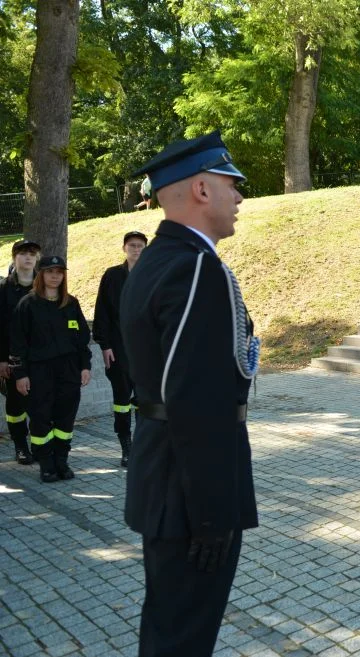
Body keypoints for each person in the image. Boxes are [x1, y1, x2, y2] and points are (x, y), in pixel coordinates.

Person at [120, 132, 259, 657]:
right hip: (190, 495)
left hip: (166, 480)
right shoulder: (197, 267)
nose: (240, 197)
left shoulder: (156, 261)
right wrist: (212, 515)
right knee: (182, 640)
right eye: (232, 184)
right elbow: (198, 403)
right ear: (201, 188)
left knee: (167, 628)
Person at [10, 254, 91, 482]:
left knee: (65, 418)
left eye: (59, 272)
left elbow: (82, 340)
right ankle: (45, 464)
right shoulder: (28, 304)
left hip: (68, 370)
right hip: (39, 371)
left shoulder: (71, 303)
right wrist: (21, 374)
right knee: (41, 417)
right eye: (49, 271)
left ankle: (61, 461)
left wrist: (85, 367)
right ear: (41, 274)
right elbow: (17, 344)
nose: (55, 276)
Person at [93, 230, 147, 467]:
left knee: (146, 401)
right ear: (124, 248)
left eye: (140, 246)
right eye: (132, 245)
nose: (136, 249)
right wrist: (104, 346)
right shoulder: (112, 276)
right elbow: (101, 312)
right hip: (119, 348)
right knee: (122, 400)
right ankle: (126, 446)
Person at [0, 239, 41, 465]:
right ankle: (20, 446)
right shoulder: (4, 289)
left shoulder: (44, 285)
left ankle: (39, 444)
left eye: (32, 254)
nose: (28, 257)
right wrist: (1, 360)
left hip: (42, 357)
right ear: (14, 258)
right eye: (23, 253)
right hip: (13, 359)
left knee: (40, 403)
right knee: (16, 405)